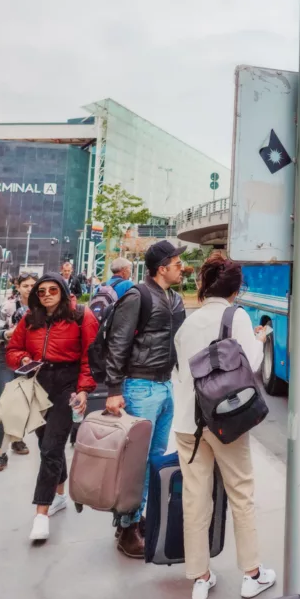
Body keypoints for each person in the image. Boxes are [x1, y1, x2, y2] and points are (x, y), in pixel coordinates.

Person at [172, 251, 276, 599]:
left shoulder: (188, 322)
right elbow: (251, 364)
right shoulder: (238, 316)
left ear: (204, 286)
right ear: (236, 290)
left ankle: (200, 576)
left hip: (188, 422)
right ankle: (252, 574)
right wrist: (260, 341)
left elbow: (180, 373)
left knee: (195, 498)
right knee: (240, 494)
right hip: (223, 422)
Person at [104, 239, 186, 558]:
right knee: (136, 461)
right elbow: (118, 343)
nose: (183, 268)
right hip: (139, 386)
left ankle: (135, 519)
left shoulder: (175, 299)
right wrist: (113, 390)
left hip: (165, 386)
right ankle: (127, 528)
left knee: (154, 458)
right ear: (162, 268)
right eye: (178, 264)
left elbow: (177, 344)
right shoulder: (138, 295)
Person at [5, 273, 98, 541]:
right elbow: (12, 350)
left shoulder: (81, 316)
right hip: (37, 384)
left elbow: (90, 356)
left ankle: (41, 512)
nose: (46, 294)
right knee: (47, 442)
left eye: (53, 289)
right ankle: (59, 497)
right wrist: (22, 357)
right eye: (41, 290)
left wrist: (83, 389)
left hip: (66, 385)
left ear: (63, 290)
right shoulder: (30, 318)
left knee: (51, 448)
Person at [0, 272, 37, 471]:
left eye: (32, 285)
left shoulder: (42, 307)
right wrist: (7, 333)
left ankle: (17, 439)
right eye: (25, 285)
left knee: (22, 403)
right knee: (6, 404)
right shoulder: (8, 306)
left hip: (29, 360)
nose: (29, 288)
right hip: (5, 357)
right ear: (18, 287)